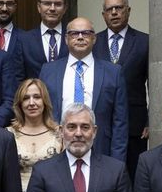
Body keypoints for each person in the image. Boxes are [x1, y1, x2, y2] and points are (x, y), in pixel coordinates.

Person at [39, 16, 129, 161]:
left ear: (94, 38)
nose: (80, 37)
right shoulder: (48, 71)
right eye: (74, 33)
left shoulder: (113, 72)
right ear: (66, 39)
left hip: (100, 150)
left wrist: (117, 163)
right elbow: (41, 115)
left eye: (86, 33)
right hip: (56, 149)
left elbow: (120, 123)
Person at [94, 0, 150, 178]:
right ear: (103, 15)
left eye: (119, 8)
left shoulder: (145, 41)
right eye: (109, 9)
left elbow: (154, 84)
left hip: (135, 125)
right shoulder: (93, 42)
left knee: (133, 177)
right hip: (99, 122)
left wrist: (150, 120)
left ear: (128, 11)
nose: (114, 13)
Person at [0, 0, 41, 79]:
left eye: (9, 4)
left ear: (15, 7)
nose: (4, 8)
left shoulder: (26, 39)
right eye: (0, 3)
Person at [17, 0, 70, 74]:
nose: (52, 8)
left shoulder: (73, 36)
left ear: (65, 8)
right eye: (47, 4)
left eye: (57, 4)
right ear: (39, 7)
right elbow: (18, 75)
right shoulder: (24, 40)